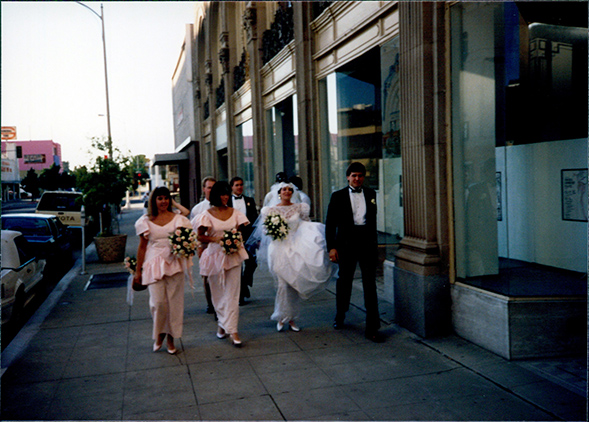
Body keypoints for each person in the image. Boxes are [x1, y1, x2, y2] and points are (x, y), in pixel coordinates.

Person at [251, 182, 336, 332]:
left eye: (290, 190)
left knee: (293, 284)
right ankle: (281, 317)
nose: (287, 192)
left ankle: (291, 318)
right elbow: (264, 230)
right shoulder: (269, 210)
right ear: (279, 192)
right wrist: (274, 231)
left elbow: (305, 224)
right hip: (278, 248)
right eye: (284, 189)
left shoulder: (300, 207)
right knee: (282, 284)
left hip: (296, 247)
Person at [325, 162, 384, 343]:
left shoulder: (371, 194)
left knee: (370, 285)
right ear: (348, 177)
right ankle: (340, 314)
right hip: (346, 244)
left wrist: (375, 247)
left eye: (360, 176)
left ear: (364, 178)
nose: (357, 179)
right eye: (354, 175)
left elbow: (372, 223)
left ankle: (372, 327)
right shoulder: (337, 196)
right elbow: (330, 224)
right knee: (345, 282)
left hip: (366, 244)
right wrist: (332, 247)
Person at [133, 186, 194, 354]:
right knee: (158, 303)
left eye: (166, 198)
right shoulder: (145, 220)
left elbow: (185, 228)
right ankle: (159, 333)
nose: (163, 201)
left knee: (174, 303)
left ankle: (171, 338)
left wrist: (184, 247)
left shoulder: (178, 219)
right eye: (159, 198)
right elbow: (142, 247)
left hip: (174, 262)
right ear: (154, 200)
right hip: (153, 263)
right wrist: (138, 271)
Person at [192, 181, 249, 347]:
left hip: (233, 255)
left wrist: (235, 241)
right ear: (216, 195)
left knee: (232, 293)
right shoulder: (206, 215)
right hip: (214, 256)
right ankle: (222, 325)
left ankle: (233, 329)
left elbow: (239, 231)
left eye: (227, 194)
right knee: (218, 293)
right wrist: (216, 239)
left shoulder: (235, 213)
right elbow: (200, 236)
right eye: (222, 194)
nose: (225, 197)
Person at [227, 176, 258, 305]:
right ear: (232, 187)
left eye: (241, 185)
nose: (239, 187)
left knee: (252, 262)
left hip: (248, 236)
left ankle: (244, 284)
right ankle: (240, 295)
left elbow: (255, 219)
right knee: (237, 266)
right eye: (236, 185)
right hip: (233, 236)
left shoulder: (250, 200)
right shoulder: (227, 202)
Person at [190, 176, 216, 315]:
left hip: (220, 244)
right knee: (207, 277)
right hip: (205, 246)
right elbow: (194, 232)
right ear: (204, 189)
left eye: (214, 187)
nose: (211, 190)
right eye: (209, 187)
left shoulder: (225, 206)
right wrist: (199, 247)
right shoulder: (197, 209)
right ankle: (210, 304)